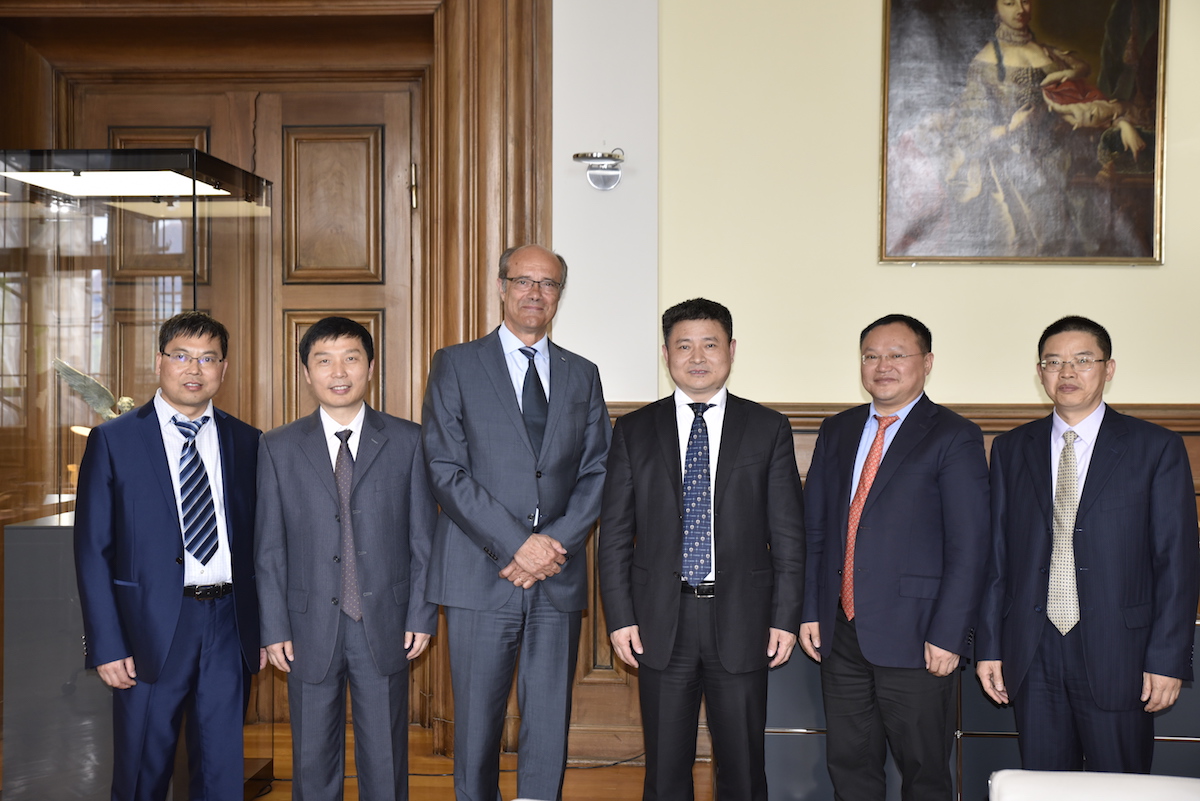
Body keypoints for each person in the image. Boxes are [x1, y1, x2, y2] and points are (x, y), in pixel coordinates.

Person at [422, 244, 611, 801]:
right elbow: (444, 468)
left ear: (558, 296)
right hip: (481, 575)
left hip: (555, 576)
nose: (535, 292)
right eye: (523, 281)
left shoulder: (582, 374)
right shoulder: (455, 363)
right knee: (476, 723)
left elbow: (598, 470)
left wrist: (550, 545)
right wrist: (516, 545)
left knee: (549, 721)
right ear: (501, 287)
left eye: (548, 284)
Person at [598, 298, 804, 801]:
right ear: (666, 354)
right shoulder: (633, 430)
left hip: (744, 618)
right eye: (683, 345)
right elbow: (615, 536)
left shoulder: (767, 428)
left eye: (709, 344)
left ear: (731, 350)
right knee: (666, 771)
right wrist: (620, 617)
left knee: (743, 769)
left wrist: (784, 617)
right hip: (659, 621)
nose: (697, 356)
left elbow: (790, 536)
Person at [976, 315, 1200, 772]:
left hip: (1123, 654)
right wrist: (990, 646)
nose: (1067, 372)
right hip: (1032, 650)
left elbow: (1177, 562)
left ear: (1109, 368)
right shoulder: (1012, 448)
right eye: (1054, 362)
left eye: (1082, 360)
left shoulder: (1155, 447)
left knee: (1120, 784)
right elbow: (997, 558)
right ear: (1040, 372)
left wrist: (1168, 658)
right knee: (1042, 784)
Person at [74, 310, 263, 801]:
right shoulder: (114, 441)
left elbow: (262, 544)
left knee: (223, 773)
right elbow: (93, 549)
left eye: (208, 358)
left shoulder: (247, 441)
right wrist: (107, 643)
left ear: (223, 368)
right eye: (181, 356)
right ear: (160, 362)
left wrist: (264, 627)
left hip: (228, 624)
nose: (194, 369)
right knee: (142, 771)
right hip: (148, 629)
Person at [799, 313, 990, 800]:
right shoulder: (837, 429)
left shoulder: (953, 434)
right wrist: (809, 610)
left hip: (919, 636)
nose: (882, 366)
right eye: (871, 356)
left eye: (896, 355)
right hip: (841, 632)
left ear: (926, 362)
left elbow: (969, 546)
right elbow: (816, 529)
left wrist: (950, 635)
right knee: (850, 764)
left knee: (924, 772)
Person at [255, 316, 437, 800]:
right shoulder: (276, 447)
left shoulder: (409, 441)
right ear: (307, 373)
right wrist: (273, 626)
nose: (339, 371)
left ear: (370, 367)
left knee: (386, 758)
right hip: (307, 623)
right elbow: (269, 549)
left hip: (387, 620)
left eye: (351, 358)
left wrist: (421, 612)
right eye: (324, 360)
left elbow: (423, 538)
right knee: (312, 761)